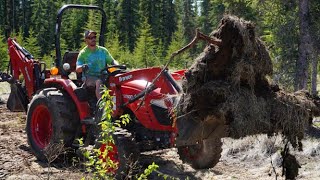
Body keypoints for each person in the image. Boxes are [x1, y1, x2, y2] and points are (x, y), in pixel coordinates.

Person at [76, 30, 118, 99]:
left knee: (118, 80)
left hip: (104, 76)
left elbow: (112, 61)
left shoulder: (103, 51)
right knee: (99, 82)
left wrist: (117, 66)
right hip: (89, 77)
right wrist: (83, 67)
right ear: (86, 40)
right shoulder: (83, 53)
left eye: (94, 37)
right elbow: (78, 69)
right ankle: (102, 106)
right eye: (90, 38)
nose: (93, 39)